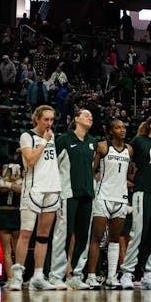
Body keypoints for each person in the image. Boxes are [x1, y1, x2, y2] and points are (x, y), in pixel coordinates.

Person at [10, 105, 61, 291]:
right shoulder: (27, 136)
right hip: (34, 189)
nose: (49, 123)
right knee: (25, 233)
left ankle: (38, 276)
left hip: (52, 188)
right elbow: (30, 161)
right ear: (37, 119)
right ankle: (17, 276)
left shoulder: (52, 136)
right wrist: (44, 142)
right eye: (46, 119)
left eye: (52, 120)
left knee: (43, 236)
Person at [118, 114, 151, 290]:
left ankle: (148, 274)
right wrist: (127, 179)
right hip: (143, 192)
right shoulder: (139, 141)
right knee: (138, 232)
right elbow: (125, 159)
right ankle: (127, 273)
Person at [49, 108, 99, 289]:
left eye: (91, 115)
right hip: (68, 194)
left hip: (88, 195)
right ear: (76, 119)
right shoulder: (64, 140)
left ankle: (76, 275)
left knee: (83, 237)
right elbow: (51, 165)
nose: (90, 117)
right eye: (86, 115)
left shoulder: (93, 142)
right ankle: (56, 275)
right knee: (63, 235)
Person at [85, 120, 132, 288]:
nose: (122, 130)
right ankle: (91, 275)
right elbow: (91, 169)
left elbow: (129, 172)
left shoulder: (129, 149)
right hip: (103, 196)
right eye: (118, 127)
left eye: (124, 127)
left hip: (121, 198)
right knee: (96, 237)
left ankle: (112, 276)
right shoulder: (103, 147)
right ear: (111, 131)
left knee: (115, 239)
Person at [0, 164, 23, 286]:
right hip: (6, 214)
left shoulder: (17, 184)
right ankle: (11, 278)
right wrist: (10, 184)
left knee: (15, 251)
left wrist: (8, 183)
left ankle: (16, 278)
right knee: (8, 251)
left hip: (13, 214)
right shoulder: (2, 183)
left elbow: (21, 191)